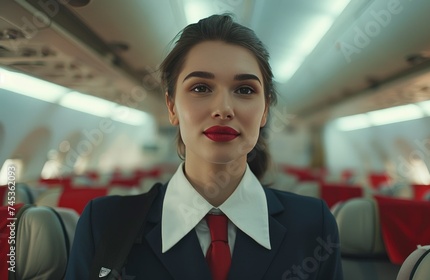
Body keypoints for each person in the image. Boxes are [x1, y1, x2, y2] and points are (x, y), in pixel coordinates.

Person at [65, 14, 343, 280]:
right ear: (172, 106)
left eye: (245, 90)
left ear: (265, 110)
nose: (223, 109)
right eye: (200, 88)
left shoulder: (314, 225)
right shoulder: (105, 222)